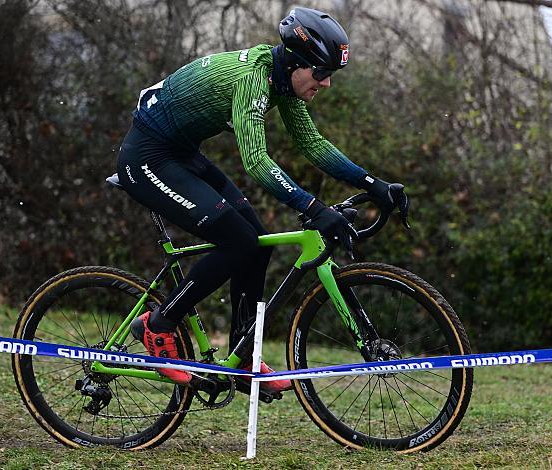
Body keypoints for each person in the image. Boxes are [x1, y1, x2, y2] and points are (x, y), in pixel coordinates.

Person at [119, 7, 401, 392]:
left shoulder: (281, 80)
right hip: (147, 159)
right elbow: (255, 161)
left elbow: (312, 145)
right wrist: (312, 207)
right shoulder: (254, 77)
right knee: (238, 242)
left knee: (258, 244)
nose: (327, 84)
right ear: (298, 64)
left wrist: (373, 183)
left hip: (181, 154)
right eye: (322, 73)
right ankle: (159, 324)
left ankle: (242, 355)